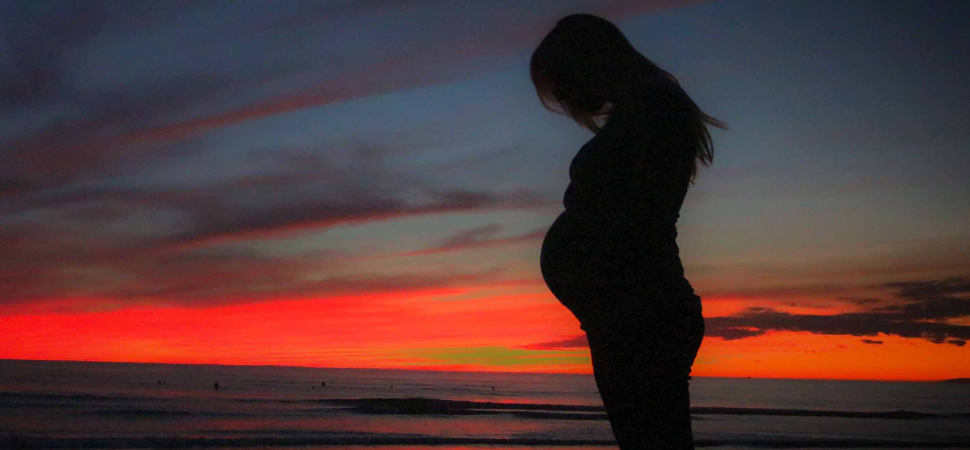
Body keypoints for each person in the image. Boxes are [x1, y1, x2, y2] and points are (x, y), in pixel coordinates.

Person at [532, 13, 727, 449]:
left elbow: (641, 215)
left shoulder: (657, 108)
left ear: (590, 60)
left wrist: (594, 271)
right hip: (622, 313)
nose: (563, 95)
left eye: (561, 80)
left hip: (638, 314)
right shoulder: (645, 109)